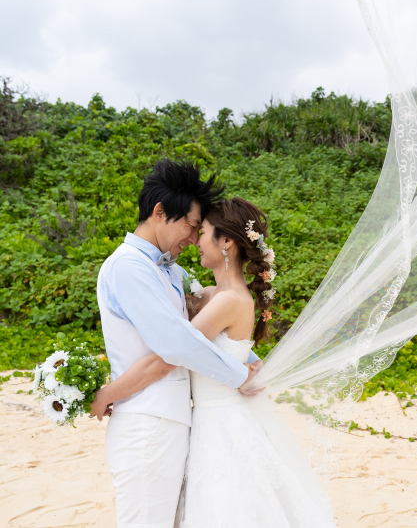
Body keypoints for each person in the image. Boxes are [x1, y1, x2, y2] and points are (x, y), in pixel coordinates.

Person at [93, 196, 335, 527]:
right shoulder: (209, 295)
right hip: (202, 421)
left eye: (203, 231)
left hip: (221, 423)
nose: (195, 240)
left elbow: (179, 348)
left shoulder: (228, 300)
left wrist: (108, 393)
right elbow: (193, 332)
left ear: (226, 242)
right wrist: (247, 359)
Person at [92, 160, 263, 528]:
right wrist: (239, 375)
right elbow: (177, 344)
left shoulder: (172, 270)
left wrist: (246, 353)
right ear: (159, 212)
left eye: (199, 230)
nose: (193, 237)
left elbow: (204, 327)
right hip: (147, 422)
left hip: (174, 421)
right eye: (190, 225)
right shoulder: (128, 267)